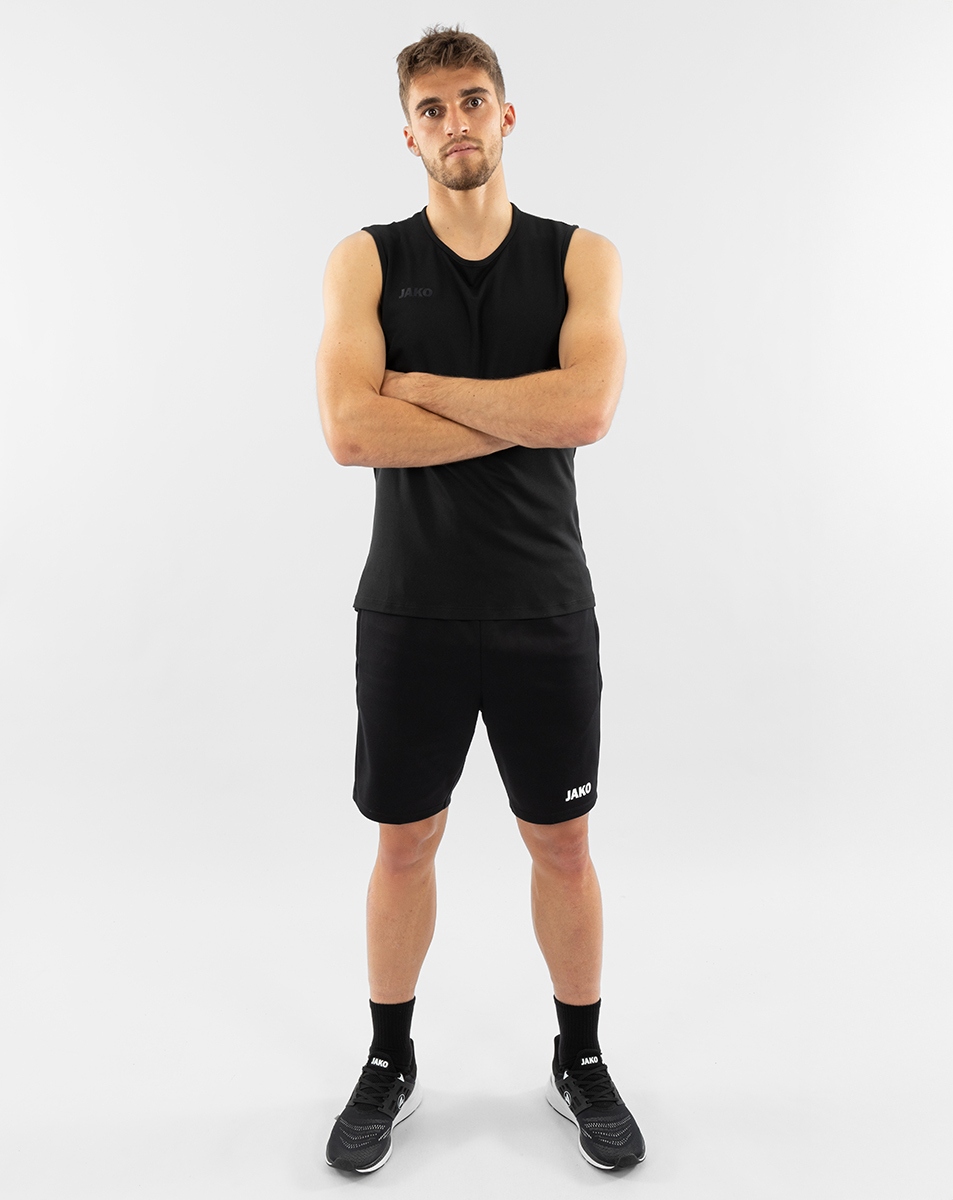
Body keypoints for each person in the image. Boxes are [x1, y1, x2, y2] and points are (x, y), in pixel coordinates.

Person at [315, 25, 644, 1174]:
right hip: (408, 607)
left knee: (561, 842)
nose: (454, 122)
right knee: (404, 842)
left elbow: (586, 410)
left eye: (471, 100)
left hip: (541, 604)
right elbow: (349, 430)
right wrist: (517, 405)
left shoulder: (579, 257)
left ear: (505, 116)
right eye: (432, 108)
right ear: (406, 134)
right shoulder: (363, 261)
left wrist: (420, 390)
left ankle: (579, 1057)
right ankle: (388, 1059)